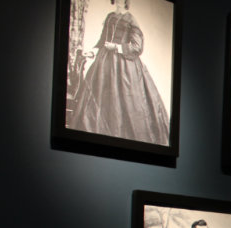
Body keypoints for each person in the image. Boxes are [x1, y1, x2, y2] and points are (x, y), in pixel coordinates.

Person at [69, 0, 170, 145]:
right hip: (103, 63)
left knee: (124, 103)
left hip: (124, 68)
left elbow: (137, 47)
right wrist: (91, 52)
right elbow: (102, 41)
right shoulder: (110, 16)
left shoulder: (131, 20)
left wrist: (116, 47)